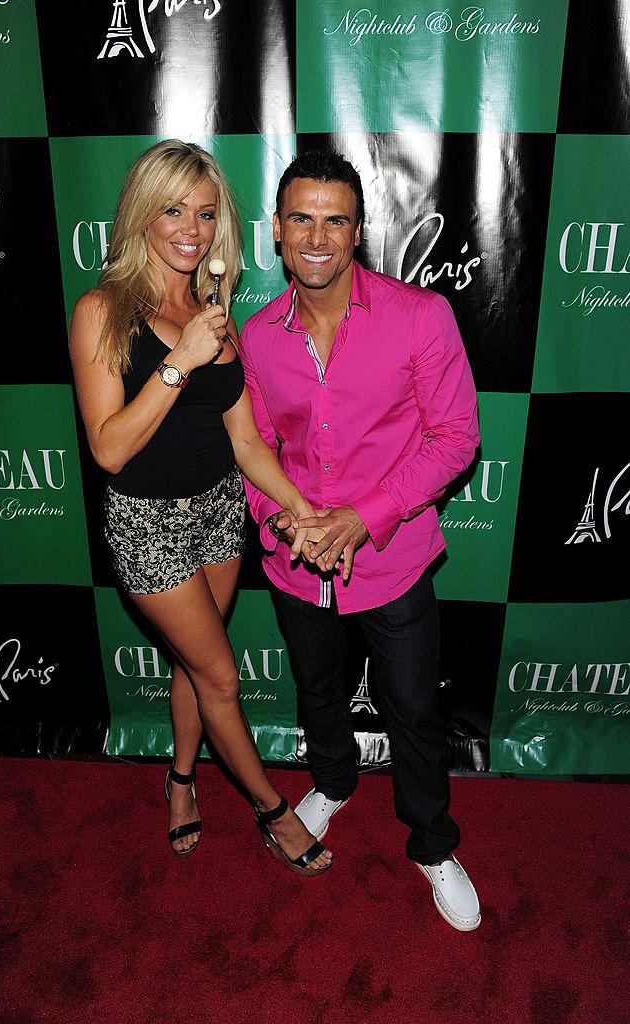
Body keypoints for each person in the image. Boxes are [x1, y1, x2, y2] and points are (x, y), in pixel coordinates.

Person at [68, 139, 333, 876]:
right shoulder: (102, 310)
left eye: (205, 212)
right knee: (221, 676)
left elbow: (247, 445)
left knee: (196, 661)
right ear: (141, 216)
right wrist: (180, 357)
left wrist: (304, 507)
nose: (190, 226)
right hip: (146, 523)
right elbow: (110, 449)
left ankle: (181, 782)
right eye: (173, 209)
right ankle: (274, 813)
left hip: (219, 510)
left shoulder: (214, 312)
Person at [239, 150, 482, 929]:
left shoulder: (419, 317)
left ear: (358, 231)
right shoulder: (256, 336)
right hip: (294, 560)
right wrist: (283, 520)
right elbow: (253, 450)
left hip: (393, 557)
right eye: (300, 219)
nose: (317, 237)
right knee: (318, 692)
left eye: (334, 220)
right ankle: (334, 782)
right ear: (276, 233)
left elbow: (455, 438)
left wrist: (365, 515)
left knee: (413, 710)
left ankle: (434, 844)